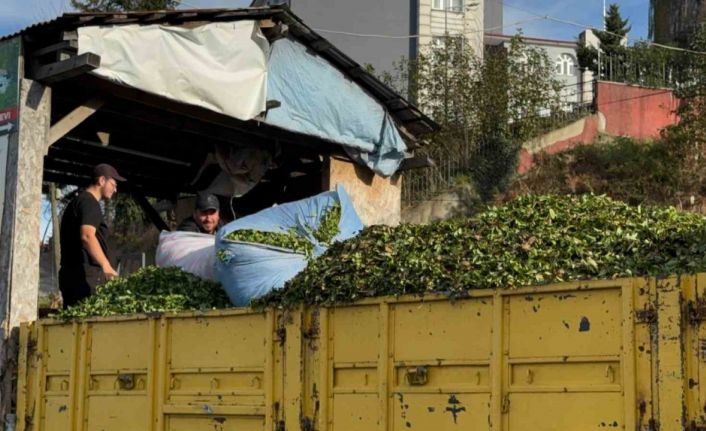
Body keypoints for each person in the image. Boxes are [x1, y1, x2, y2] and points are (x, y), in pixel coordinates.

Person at [58, 163, 125, 308]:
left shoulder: (79, 202)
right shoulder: (89, 202)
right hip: (84, 279)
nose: (115, 189)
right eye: (113, 184)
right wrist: (106, 266)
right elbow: (87, 236)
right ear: (102, 181)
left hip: (74, 277)